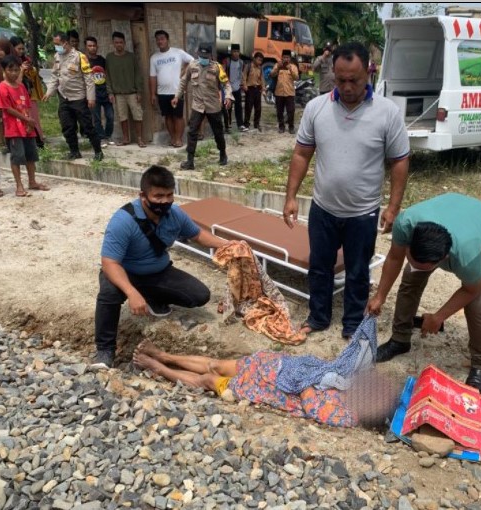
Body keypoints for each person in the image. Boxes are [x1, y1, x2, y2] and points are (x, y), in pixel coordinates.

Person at [282, 42, 410, 340]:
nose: (347, 86)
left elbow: (399, 161)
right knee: (319, 267)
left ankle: (352, 324)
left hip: (362, 213)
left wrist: (393, 207)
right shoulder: (317, 108)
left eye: (354, 80)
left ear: (368, 72)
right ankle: (318, 317)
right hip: (323, 208)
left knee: (357, 272)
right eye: (341, 80)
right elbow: (302, 154)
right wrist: (290, 197)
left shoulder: (387, 113)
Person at [366, 193, 481, 394]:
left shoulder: (467, 254)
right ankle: (399, 340)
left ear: (444, 259)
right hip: (451, 213)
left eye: (425, 266)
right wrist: (379, 296)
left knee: (476, 304)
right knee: (411, 277)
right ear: (410, 243)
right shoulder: (405, 224)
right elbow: (394, 258)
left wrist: (439, 317)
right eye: (412, 257)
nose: (418, 266)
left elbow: (471, 289)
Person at [92, 165, 230, 369]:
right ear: (143, 195)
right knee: (108, 295)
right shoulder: (123, 221)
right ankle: (105, 350)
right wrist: (131, 292)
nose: (164, 201)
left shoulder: (175, 213)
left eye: (169, 195)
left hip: (158, 271)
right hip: (124, 272)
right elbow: (110, 262)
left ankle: (153, 297)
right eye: (158, 196)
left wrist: (228, 246)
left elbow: (198, 235)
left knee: (199, 295)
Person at [132, 337, 400, 428]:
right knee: (217, 363)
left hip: (269, 391)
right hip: (274, 367)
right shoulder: (357, 383)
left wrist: (317, 380)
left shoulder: (346, 416)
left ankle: (155, 366)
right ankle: (163, 355)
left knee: (209, 380)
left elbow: (310, 401)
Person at [44, 31, 103, 161]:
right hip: (64, 98)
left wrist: (91, 97)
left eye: (57, 44)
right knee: (67, 127)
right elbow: (55, 76)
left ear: (65, 43)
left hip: (78, 98)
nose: (56, 47)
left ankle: (98, 151)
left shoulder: (79, 57)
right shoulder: (57, 57)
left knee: (87, 127)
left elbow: (89, 78)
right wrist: (49, 92)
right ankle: (74, 151)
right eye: (55, 44)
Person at [0, 56, 50, 197]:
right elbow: (7, 108)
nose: (14, 73)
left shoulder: (21, 86)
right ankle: (19, 185)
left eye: (16, 70)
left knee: (31, 155)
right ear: (4, 70)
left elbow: (26, 105)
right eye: (10, 70)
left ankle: (32, 181)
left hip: (27, 127)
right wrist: (26, 119)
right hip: (13, 128)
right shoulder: (2, 87)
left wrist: (29, 122)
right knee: (17, 157)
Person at [173, 43, 231, 168]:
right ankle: (190, 161)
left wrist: (228, 96)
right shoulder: (192, 66)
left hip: (213, 106)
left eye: (206, 56)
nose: (203, 58)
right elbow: (183, 81)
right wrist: (177, 96)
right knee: (192, 132)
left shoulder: (217, 67)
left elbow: (226, 84)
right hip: (197, 106)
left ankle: (223, 154)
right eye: (201, 55)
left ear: (210, 55)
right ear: (197, 53)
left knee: (218, 132)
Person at [149, 30, 193, 148]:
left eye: (162, 38)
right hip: (162, 92)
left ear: (167, 40)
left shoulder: (178, 52)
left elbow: (193, 61)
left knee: (178, 116)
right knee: (167, 116)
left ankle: (179, 139)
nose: (160, 41)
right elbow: (153, 77)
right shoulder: (154, 58)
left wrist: (184, 70)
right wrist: (153, 94)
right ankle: (173, 138)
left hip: (177, 91)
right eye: (158, 39)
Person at [105, 31, 146, 147]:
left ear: (125, 43)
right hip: (118, 93)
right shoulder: (109, 57)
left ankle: (139, 139)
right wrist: (110, 92)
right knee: (122, 116)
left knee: (138, 115)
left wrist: (139, 91)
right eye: (116, 42)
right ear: (113, 43)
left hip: (132, 92)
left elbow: (138, 74)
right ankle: (126, 138)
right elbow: (107, 76)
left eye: (121, 42)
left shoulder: (131, 57)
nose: (119, 44)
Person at [10, 36, 46, 149]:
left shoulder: (26, 60)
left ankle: (39, 140)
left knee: (33, 117)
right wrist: (21, 70)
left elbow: (33, 77)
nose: (21, 51)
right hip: (17, 96)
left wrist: (30, 70)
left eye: (22, 49)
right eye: (18, 49)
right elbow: (16, 82)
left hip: (29, 94)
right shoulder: (10, 62)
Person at [84, 36, 114, 146]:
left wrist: (110, 92)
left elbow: (108, 76)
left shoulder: (102, 60)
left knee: (110, 116)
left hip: (105, 92)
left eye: (94, 45)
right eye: (89, 46)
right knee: (96, 118)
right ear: (86, 47)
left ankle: (108, 135)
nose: (92, 48)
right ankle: (101, 138)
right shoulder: (84, 62)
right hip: (93, 94)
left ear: (97, 46)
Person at [270, 49, 298, 134]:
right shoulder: (277, 65)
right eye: (284, 57)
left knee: (291, 111)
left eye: (288, 57)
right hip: (279, 92)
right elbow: (271, 75)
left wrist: (291, 70)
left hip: (289, 92)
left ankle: (291, 127)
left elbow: (296, 77)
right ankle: (281, 127)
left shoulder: (293, 66)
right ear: (282, 57)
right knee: (279, 111)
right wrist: (277, 68)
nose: (286, 59)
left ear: (290, 58)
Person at [224, 43, 247, 132]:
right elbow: (223, 72)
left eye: (237, 51)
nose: (236, 53)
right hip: (229, 88)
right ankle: (227, 126)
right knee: (228, 108)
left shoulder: (241, 62)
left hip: (237, 88)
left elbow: (242, 74)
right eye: (234, 51)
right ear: (231, 52)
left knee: (239, 107)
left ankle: (240, 125)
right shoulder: (227, 61)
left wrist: (242, 84)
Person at [242, 51, 264, 131]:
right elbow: (244, 76)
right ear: (254, 59)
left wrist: (263, 89)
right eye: (258, 60)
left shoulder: (260, 68)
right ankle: (246, 124)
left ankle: (256, 123)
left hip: (257, 89)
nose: (259, 62)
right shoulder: (248, 66)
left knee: (258, 108)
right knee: (248, 107)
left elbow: (262, 79)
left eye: (261, 61)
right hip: (250, 89)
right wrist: (244, 85)